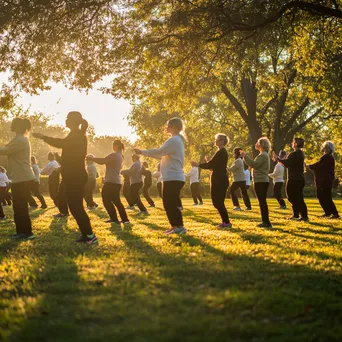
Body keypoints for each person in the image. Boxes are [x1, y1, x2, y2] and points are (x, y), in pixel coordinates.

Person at [33, 111, 97, 244]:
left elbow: (60, 143)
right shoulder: (76, 135)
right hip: (73, 175)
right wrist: (60, 159)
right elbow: (70, 158)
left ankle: (90, 236)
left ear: (73, 121)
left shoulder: (77, 135)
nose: (65, 120)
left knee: (76, 207)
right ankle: (86, 234)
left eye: (67, 118)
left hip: (75, 176)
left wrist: (42, 137)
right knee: (75, 207)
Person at [135, 117, 186, 235]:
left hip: (173, 177)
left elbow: (159, 151)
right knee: (169, 203)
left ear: (174, 126)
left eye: (168, 125)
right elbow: (161, 154)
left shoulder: (174, 140)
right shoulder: (176, 140)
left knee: (170, 203)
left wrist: (142, 151)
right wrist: (146, 153)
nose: (166, 127)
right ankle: (175, 226)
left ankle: (179, 227)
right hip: (172, 177)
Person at [0, 118, 36, 239]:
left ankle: (26, 232)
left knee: (20, 206)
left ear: (18, 126)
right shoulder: (19, 139)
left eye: (13, 123)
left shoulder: (20, 139)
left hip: (22, 177)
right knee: (18, 205)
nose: (11, 125)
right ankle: (22, 231)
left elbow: (5, 150)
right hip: (20, 177)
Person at [87, 140, 130, 224]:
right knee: (116, 201)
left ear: (116, 146)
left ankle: (115, 218)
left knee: (106, 199)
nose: (112, 147)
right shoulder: (121, 156)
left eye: (113, 145)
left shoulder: (114, 155)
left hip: (111, 182)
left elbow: (103, 161)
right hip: (116, 182)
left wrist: (92, 158)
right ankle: (124, 220)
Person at [194, 133, 232, 228]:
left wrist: (198, 165)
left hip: (219, 180)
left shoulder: (221, 152)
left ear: (222, 141)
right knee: (217, 202)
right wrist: (207, 163)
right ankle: (225, 222)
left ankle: (226, 222)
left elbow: (211, 165)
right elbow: (213, 165)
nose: (215, 141)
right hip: (219, 179)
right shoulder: (220, 152)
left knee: (217, 202)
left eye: (217, 139)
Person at [241, 137, 272, 228]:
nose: (256, 143)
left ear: (262, 145)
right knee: (262, 201)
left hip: (261, 181)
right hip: (261, 180)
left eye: (258, 142)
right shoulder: (263, 155)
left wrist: (245, 156)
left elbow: (254, 164)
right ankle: (265, 221)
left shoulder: (263, 155)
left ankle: (266, 222)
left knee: (262, 202)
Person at [277, 137, 309, 222]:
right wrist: (281, 161)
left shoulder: (295, 154)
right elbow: (288, 164)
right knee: (297, 197)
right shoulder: (300, 153)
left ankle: (303, 215)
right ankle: (297, 214)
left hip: (294, 178)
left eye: (293, 142)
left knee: (292, 196)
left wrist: (278, 159)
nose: (292, 143)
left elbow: (287, 163)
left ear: (296, 144)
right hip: (298, 178)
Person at [308, 141, 340, 219]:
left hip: (325, 180)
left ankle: (334, 213)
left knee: (325, 197)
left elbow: (319, 165)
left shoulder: (326, 157)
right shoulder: (329, 157)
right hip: (327, 180)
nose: (323, 148)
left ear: (327, 148)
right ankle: (327, 212)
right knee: (323, 196)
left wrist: (310, 166)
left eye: (324, 147)